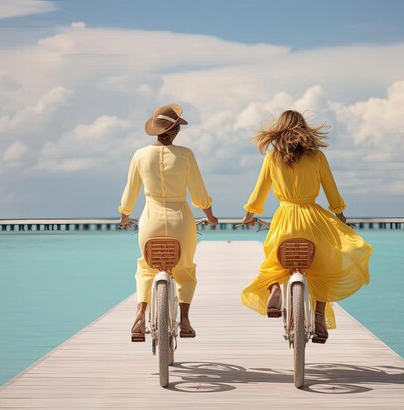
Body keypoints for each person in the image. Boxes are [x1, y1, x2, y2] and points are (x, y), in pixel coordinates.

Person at [241, 110, 372, 343]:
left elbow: (259, 191)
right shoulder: (317, 157)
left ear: (278, 130)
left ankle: (274, 289)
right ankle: (320, 317)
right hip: (313, 219)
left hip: (285, 218)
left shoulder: (272, 158)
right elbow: (331, 190)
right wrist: (340, 213)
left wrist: (250, 214)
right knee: (324, 266)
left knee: (272, 258)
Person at [118, 103, 218, 342]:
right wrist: (211, 216)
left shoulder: (140, 155)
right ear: (175, 132)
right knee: (184, 269)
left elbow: (130, 192)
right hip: (181, 221)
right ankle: (184, 320)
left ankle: (140, 315)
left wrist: (124, 216)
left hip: (150, 219)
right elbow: (198, 193)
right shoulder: (185, 155)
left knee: (146, 268)